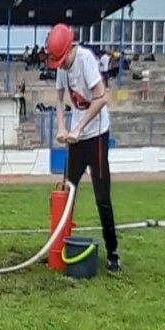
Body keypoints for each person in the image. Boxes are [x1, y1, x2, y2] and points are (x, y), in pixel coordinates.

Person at [46, 23, 122, 272]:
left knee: (102, 197)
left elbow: (101, 97)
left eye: (62, 60)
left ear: (70, 49)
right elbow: (59, 99)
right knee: (68, 191)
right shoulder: (62, 67)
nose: (61, 65)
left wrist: (80, 127)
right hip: (76, 139)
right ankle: (60, 246)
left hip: (96, 135)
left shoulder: (85, 59)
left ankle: (113, 253)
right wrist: (61, 127)